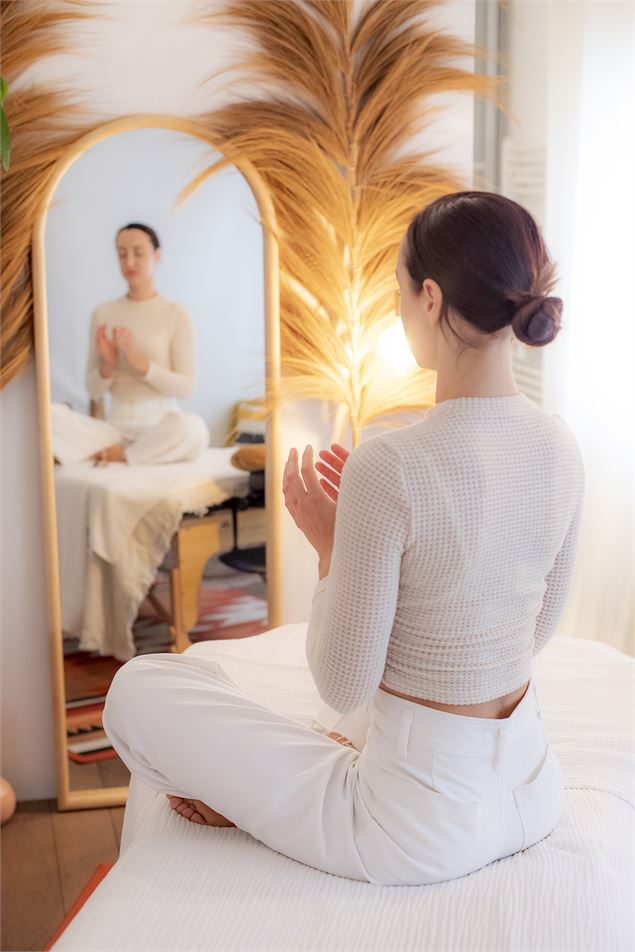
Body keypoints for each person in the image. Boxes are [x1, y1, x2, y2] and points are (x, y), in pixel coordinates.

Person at [101, 192, 585, 886]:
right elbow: (532, 635)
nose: (395, 308)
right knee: (246, 688)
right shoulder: (560, 444)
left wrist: (332, 552)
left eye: (395, 291)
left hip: (414, 828)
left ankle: (262, 791)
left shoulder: (392, 462)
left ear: (428, 296)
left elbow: (343, 680)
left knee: (140, 687)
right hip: (533, 790)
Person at [51, 222, 209, 466]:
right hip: (114, 428)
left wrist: (142, 365)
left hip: (160, 425)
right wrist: (109, 366)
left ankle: (124, 455)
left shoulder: (175, 313)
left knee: (193, 428)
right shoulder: (103, 313)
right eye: (122, 254)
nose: (129, 262)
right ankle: (132, 452)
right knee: (49, 417)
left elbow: (186, 388)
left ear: (157, 255)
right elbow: (93, 390)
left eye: (138, 252)